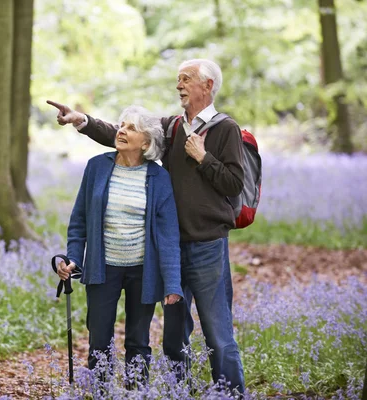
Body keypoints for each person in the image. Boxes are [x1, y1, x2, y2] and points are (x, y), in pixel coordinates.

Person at [48, 59, 246, 394]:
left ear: (207, 85)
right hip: (167, 248)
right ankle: (176, 390)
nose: (179, 84)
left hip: (206, 245)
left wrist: (203, 156)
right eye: (178, 79)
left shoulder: (224, 129)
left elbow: (233, 183)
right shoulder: (171, 127)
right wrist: (82, 121)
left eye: (186, 79)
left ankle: (232, 393)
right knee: (173, 337)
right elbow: (129, 136)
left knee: (218, 332)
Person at [54, 105, 182, 385]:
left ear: (146, 143)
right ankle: (100, 392)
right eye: (122, 125)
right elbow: (79, 221)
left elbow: (169, 235)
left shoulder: (159, 179)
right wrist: (73, 257)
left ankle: (137, 391)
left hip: (143, 271)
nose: (122, 131)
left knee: (138, 341)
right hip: (103, 267)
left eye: (131, 128)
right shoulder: (97, 167)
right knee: (99, 339)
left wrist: (172, 283)